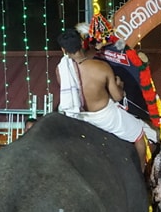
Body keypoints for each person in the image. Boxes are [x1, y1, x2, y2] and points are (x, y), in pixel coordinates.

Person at [56, 29, 154, 170]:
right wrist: (119, 84)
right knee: (139, 135)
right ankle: (141, 176)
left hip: (80, 117)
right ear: (82, 43)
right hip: (105, 117)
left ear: (63, 49)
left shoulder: (61, 70)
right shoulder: (101, 67)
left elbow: (72, 95)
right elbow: (118, 97)